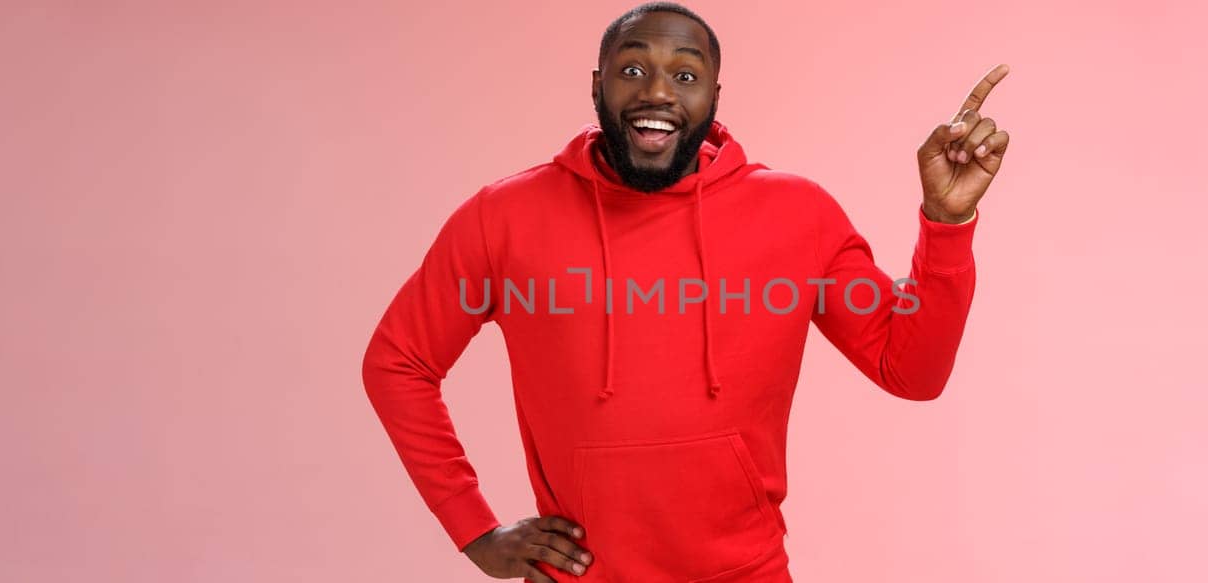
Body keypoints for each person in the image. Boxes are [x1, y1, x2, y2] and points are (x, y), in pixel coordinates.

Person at [360, 3, 1011, 581]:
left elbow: (911, 369)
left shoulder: (797, 214)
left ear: (714, 96)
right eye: (633, 70)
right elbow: (398, 361)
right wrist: (474, 529)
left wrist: (947, 224)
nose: (659, 92)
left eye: (686, 75)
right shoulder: (503, 216)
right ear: (597, 85)